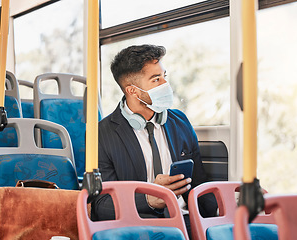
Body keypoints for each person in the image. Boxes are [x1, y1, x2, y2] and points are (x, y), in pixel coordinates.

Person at [92, 44, 217, 236]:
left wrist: (215, 215)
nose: (165, 84)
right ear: (132, 91)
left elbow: (199, 182)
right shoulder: (102, 134)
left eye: (164, 76)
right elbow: (101, 206)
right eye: (156, 79)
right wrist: (148, 200)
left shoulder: (180, 121)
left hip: (186, 220)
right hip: (139, 225)